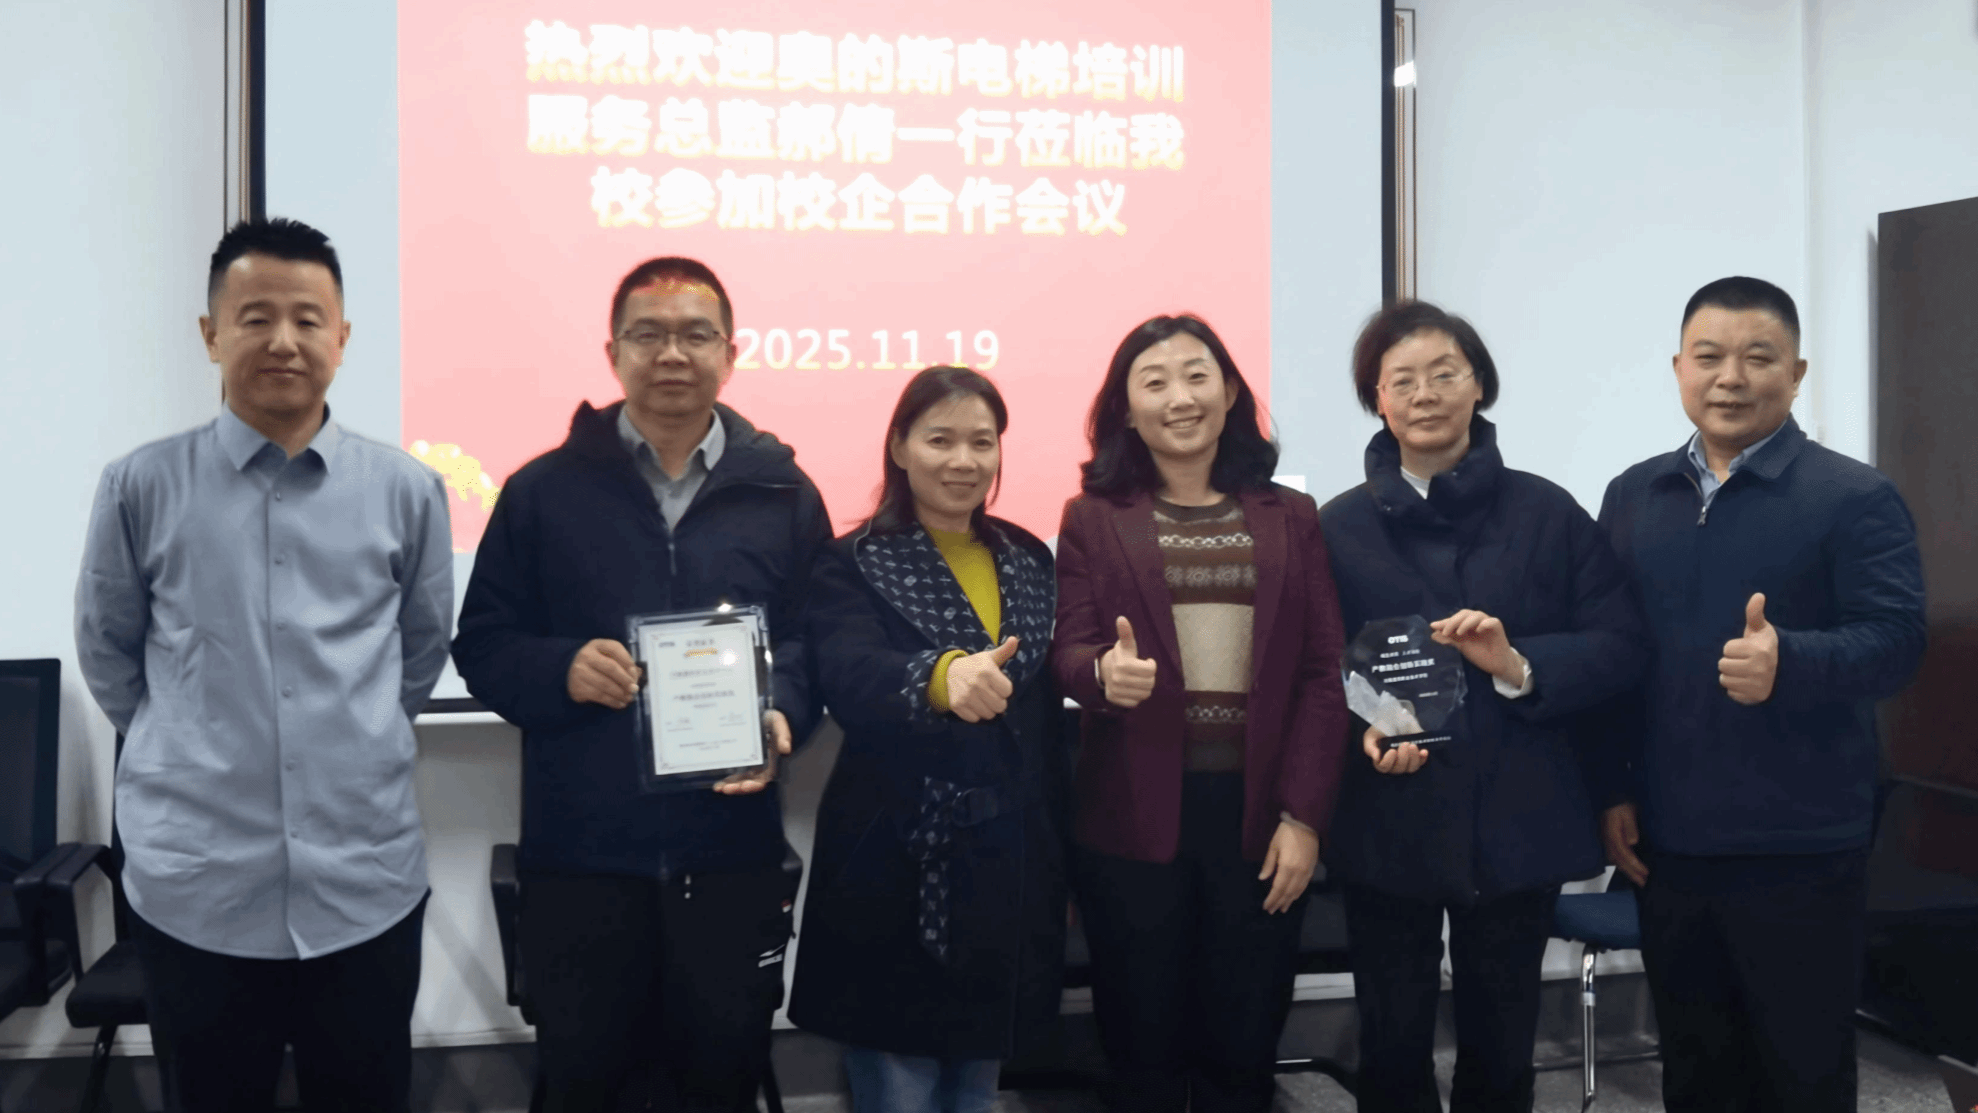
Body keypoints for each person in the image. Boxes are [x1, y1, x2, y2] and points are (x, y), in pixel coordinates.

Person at [73, 217, 452, 1113]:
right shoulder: (140, 486)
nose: (284, 340)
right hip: (197, 887)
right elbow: (108, 652)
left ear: (342, 337)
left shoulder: (406, 491)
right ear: (211, 334)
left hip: (363, 884)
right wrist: (192, 740)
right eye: (255, 317)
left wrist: (350, 736)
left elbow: (420, 650)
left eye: (308, 319)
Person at [451, 257, 832, 1112]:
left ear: (730, 353)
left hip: (730, 857)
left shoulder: (784, 494)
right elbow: (483, 643)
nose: (672, 354)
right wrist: (560, 668)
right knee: (586, 1084)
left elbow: (815, 637)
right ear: (613, 352)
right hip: (583, 861)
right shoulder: (542, 492)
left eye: (696, 334)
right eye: (648, 334)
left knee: (720, 1081)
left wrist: (783, 709)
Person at [1592, 276, 1925, 1113]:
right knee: (1696, 1074)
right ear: (1678, 368)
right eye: (1709, 356)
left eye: (1758, 357)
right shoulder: (1634, 495)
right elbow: (1615, 656)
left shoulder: (1853, 496)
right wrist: (1613, 787)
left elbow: (1897, 642)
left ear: (1797, 373)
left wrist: (1793, 660)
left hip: (1801, 846)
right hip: (1671, 844)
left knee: (1802, 1073)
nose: (1731, 378)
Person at [1317, 301, 1648, 1113]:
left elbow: (1621, 644)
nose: (1425, 393)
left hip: (1516, 813)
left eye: (1445, 373)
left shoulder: (1547, 512)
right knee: (1391, 1043)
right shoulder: (1337, 526)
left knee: (1502, 1049)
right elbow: (1312, 666)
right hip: (1385, 816)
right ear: (1377, 399)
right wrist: (1363, 732)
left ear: (1480, 386)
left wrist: (1520, 664)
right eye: (1402, 379)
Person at [1050, 314, 1348, 1113]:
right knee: (1140, 1044)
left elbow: (1323, 674)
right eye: (1154, 382)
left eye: (1196, 375)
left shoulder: (1291, 515)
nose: (1179, 397)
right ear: (1126, 408)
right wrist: (1101, 673)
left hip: (1260, 816)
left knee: (1243, 1043)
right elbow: (1068, 648)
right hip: (1131, 816)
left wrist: (1304, 817)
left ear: (1230, 391)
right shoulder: (1092, 517)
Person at [787, 366, 1067, 1113]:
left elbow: (1041, 715)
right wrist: (942, 676)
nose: (963, 460)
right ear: (899, 447)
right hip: (896, 855)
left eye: (982, 441)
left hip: (1009, 857)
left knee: (977, 1081)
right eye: (940, 439)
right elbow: (849, 675)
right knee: (897, 1081)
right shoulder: (851, 559)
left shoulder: (1029, 557)